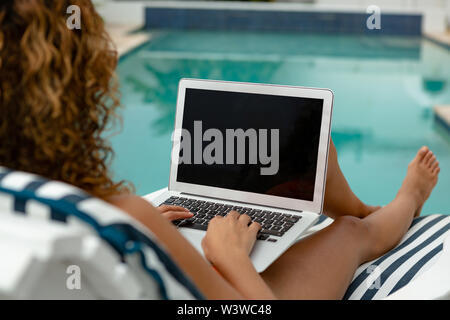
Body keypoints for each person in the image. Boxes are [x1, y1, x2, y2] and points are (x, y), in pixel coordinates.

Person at [0, 0, 440, 299]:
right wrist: (229, 256)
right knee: (347, 228)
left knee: (304, 155)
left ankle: (344, 200)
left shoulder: (29, 200)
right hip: (248, 290)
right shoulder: (127, 215)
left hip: (184, 266)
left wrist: (153, 232)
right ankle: (404, 199)